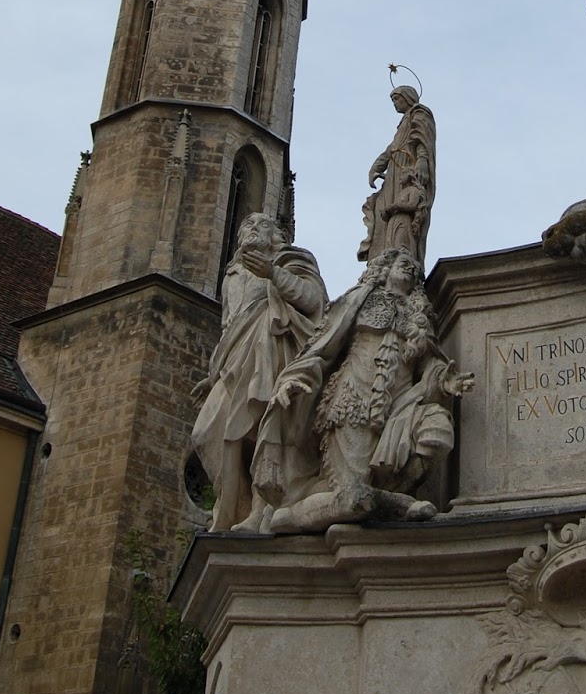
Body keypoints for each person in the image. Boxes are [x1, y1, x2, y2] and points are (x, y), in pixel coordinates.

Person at [252, 249, 473, 534]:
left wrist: (444, 382)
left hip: (402, 405)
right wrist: (294, 379)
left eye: (415, 270)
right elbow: (324, 346)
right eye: (404, 264)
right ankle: (295, 515)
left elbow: (430, 364)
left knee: (438, 432)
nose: (411, 270)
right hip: (353, 402)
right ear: (386, 268)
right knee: (353, 495)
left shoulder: (419, 316)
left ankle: (388, 498)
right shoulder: (360, 298)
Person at [191, 213, 326, 533]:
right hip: (235, 359)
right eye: (247, 225)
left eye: (262, 224)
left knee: (259, 429)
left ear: (276, 234)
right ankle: (234, 507)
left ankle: (259, 510)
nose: (252, 228)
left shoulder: (291, 259)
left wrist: (273, 273)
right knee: (205, 433)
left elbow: (314, 301)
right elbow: (229, 327)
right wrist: (213, 376)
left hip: (272, 349)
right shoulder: (232, 275)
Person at [358, 85, 436, 268]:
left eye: (397, 99)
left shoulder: (420, 112)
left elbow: (422, 138)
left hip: (408, 168)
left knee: (405, 208)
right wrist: (376, 167)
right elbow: (392, 148)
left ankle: (403, 250)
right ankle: (383, 253)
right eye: (392, 100)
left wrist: (422, 161)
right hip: (394, 171)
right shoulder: (402, 123)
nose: (395, 103)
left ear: (408, 97)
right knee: (381, 208)